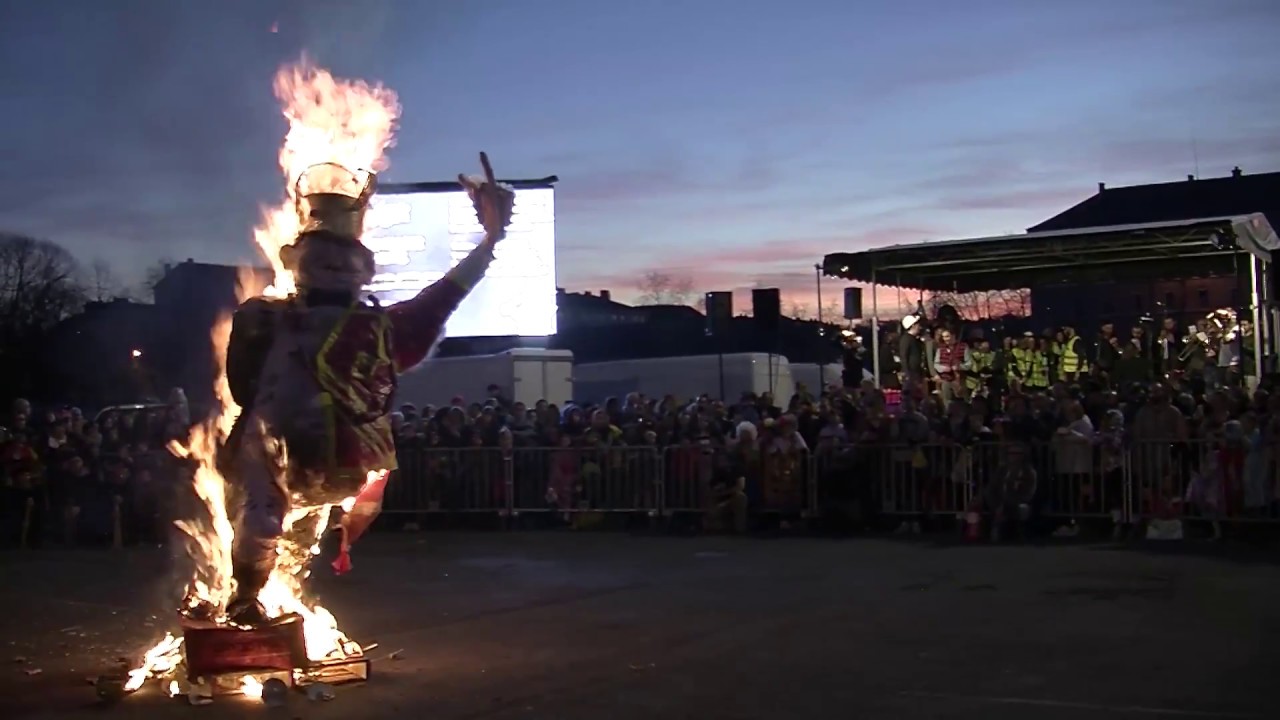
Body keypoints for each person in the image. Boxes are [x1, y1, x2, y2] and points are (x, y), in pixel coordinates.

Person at [217, 153, 516, 625]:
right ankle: (246, 597)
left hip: (339, 460)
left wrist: (490, 243)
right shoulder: (263, 318)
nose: (334, 267)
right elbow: (242, 385)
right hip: (275, 450)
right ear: (295, 261)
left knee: (281, 520)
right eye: (324, 257)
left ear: (364, 269)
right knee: (261, 516)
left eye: (344, 259)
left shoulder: (378, 329)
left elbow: (441, 296)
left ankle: (266, 590)